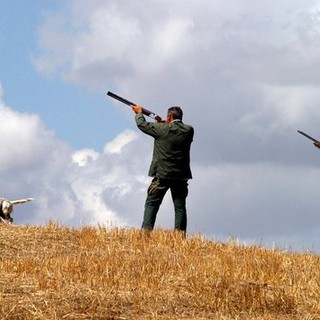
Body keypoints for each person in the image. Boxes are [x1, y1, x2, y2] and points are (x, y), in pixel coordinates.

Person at [132, 104, 194, 234]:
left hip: (162, 174)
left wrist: (139, 113)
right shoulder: (189, 130)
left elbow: (142, 125)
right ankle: (180, 236)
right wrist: (164, 123)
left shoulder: (161, 129)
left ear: (169, 116)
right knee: (180, 207)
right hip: (181, 175)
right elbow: (174, 129)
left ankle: (146, 234)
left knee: (151, 204)